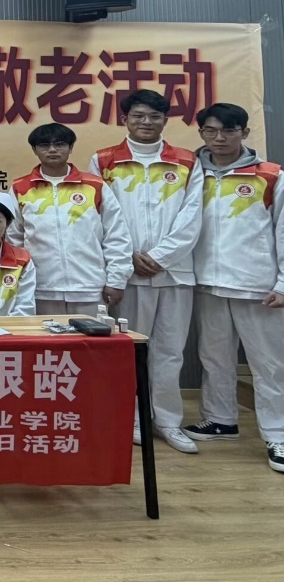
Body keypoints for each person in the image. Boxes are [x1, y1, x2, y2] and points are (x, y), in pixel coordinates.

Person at [89, 89, 203, 454]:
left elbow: (192, 215)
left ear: (165, 120)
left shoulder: (186, 160)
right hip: (128, 274)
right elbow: (102, 216)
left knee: (170, 351)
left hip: (175, 273)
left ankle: (168, 420)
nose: (146, 122)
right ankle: (134, 417)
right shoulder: (104, 160)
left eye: (154, 116)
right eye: (138, 115)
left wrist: (160, 257)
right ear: (125, 119)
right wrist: (126, 259)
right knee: (129, 350)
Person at [181, 103, 284, 473]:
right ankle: (221, 420)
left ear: (245, 132)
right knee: (213, 357)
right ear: (201, 133)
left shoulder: (270, 175)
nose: (219, 138)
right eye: (210, 131)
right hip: (206, 282)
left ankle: (279, 434)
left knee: (269, 365)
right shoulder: (190, 173)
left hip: (257, 286)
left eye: (229, 130)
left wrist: (283, 283)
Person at [9, 123, 132, 316]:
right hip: (40, 288)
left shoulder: (95, 185)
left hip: (90, 288)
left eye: (59, 144)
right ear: (34, 150)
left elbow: (116, 235)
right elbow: (13, 239)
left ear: (71, 147)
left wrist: (116, 280)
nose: (52, 150)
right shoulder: (20, 188)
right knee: (44, 337)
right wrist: (20, 282)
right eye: (44, 145)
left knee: (91, 337)